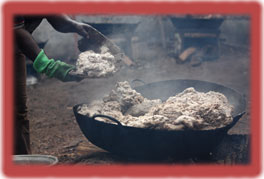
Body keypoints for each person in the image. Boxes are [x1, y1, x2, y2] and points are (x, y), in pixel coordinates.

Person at [14, 15, 95, 154]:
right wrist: (48, 66)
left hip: (13, 49)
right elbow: (14, 29)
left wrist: (73, 25)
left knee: (16, 111)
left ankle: (21, 164)